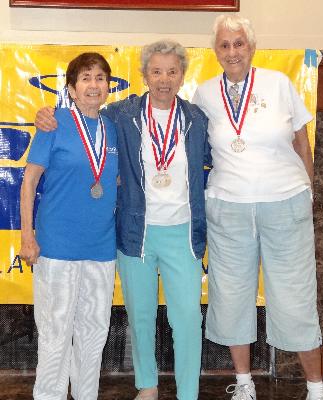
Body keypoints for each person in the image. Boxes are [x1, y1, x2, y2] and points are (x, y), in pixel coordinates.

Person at [34, 40, 211, 400]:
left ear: (182, 76)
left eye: (172, 71)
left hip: (182, 232)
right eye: (156, 71)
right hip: (136, 233)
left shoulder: (196, 118)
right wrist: (46, 114)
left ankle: (188, 393)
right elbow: (84, 116)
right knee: (141, 316)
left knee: (188, 321)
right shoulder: (122, 114)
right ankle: (147, 386)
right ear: (144, 75)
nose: (164, 79)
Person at [192, 14, 323, 400]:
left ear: (251, 47)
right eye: (224, 45)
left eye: (239, 43)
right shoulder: (203, 94)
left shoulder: (279, 83)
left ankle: (316, 389)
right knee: (232, 295)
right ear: (215, 51)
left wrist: (306, 185)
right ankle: (246, 384)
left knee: (295, 295)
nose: (232, 51)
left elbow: (302, 140)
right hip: (229, 207)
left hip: (283, 203)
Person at [20, 52, 118, 400]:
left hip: (101, 249)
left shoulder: (113, 128)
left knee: (95, 333)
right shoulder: (55, 123)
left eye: (100, 78)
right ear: (72, 89)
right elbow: (29, 182)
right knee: (55, 331)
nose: (94, 84)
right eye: (86, 78)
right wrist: (27, 236)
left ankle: (86, 395)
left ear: (109, 86)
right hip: (58, 247)